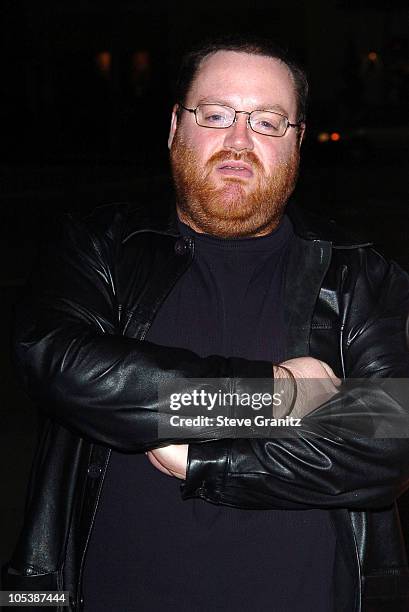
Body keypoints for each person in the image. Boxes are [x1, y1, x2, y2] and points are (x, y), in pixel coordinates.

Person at [3, 36, 409, 612]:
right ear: (175, 126)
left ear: (298, 142)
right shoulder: (103, 247)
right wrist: (273, 395)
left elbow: (389, 446)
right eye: (216, 115)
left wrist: (206, 462)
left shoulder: (358, 274)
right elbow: (56, 361)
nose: (239, 141)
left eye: (268, 122)